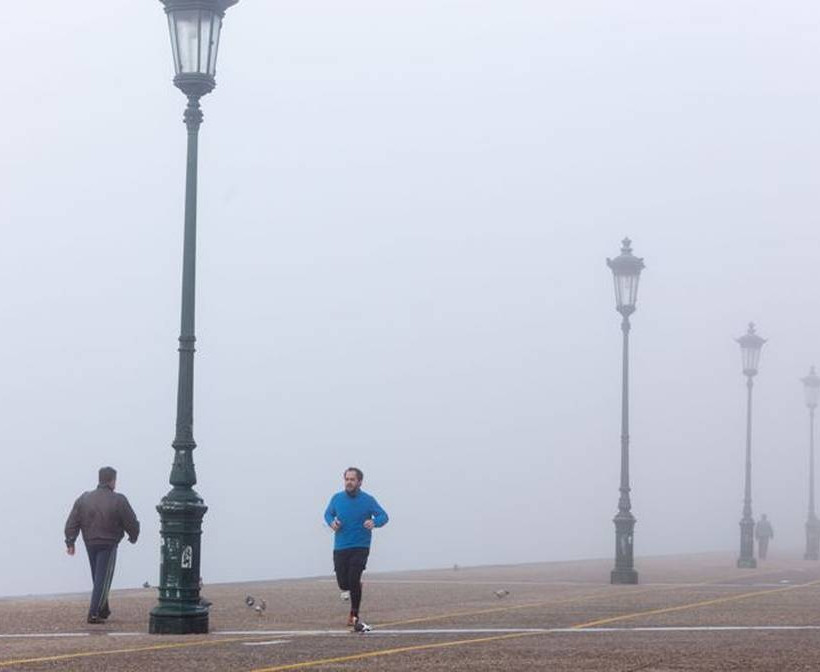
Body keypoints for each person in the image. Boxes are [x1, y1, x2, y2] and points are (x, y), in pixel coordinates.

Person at [64, 467, 140, 623]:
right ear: (112, 481)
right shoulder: (118, 500)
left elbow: (72, 521)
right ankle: (93, 613)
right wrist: (133, 536)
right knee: (103, 578)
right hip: (108, 543)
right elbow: (131, 521)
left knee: (98, 577)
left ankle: (103, 609)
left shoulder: (84, 498)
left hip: (90, 542)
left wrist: (70, 541)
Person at [323, 467, 388, 633]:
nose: (349, 482)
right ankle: (355, 585)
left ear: (359, 482)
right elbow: (328, 514)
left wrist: (374, 522)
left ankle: (354, 614)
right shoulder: (337, 499)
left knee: (353, 579)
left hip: (360, 546)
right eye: (347, 479)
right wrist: (332, 523)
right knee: (343, 583)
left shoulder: (368, 500)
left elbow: (383, 516)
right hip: (341, 546)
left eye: (352, 479)